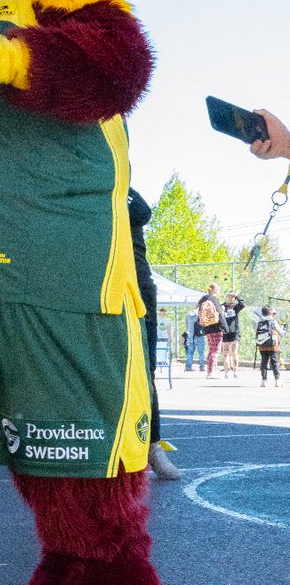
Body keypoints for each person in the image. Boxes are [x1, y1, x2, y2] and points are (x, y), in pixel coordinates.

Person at [127, 189, 181, 481]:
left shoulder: (124, 190)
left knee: (145, 371)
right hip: (95, 286)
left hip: (137, 287)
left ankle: (152, 445)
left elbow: (142, 212)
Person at [195, 283, 225, 378]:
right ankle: (211, 372)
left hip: (207, 327)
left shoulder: (204, 299)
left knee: (211, 349)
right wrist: (225, 326)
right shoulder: (213, 298)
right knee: (215, 350)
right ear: (213, 289)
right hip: (216, 327)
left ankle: (209, 371)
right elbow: (220, 313)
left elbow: (198, 309)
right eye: (218, 289)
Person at [256, 306, 284, 388]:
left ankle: (264, 381)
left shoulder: (260, 321)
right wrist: (284, 332)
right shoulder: (273, 320)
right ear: (270, 312)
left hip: (262, 345)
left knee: (264, 362)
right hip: (272, 345)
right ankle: (277, 380)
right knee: (274, 362)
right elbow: (280, 331)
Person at [221, 292, 244, 378]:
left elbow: (243, 304)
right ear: (226, 297)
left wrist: (237, 295)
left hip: (234, 332)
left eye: (232, 297)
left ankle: (235, 371)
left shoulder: (235, 307)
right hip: (225, 333)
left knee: (234, 353)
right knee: (225, 354)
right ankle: (226, 372)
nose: (230, 298)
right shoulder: (222, 306)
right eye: (229, 296)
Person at [184, 306, 206, 371]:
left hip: (191, 336)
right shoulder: (202, 314)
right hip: (200, 335)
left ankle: (188, 366)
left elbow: (187, 325)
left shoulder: (188, 314)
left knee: (190, 352)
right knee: (201, 352)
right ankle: (202, 366)